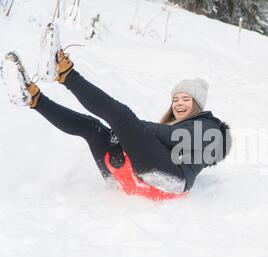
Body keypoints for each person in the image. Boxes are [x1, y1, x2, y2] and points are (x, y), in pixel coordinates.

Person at [1, 48, 230, 200]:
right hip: (131, 182)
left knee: (121, 117)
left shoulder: (210, 128)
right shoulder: (179, 126)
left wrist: (125, 129)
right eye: (176, 100)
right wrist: (120, 136)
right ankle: (34, 99)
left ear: (198, 104)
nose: (179, 104)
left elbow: (174, 138)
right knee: (92, 128)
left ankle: (66, 74)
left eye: (186, 100)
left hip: (169, 181)